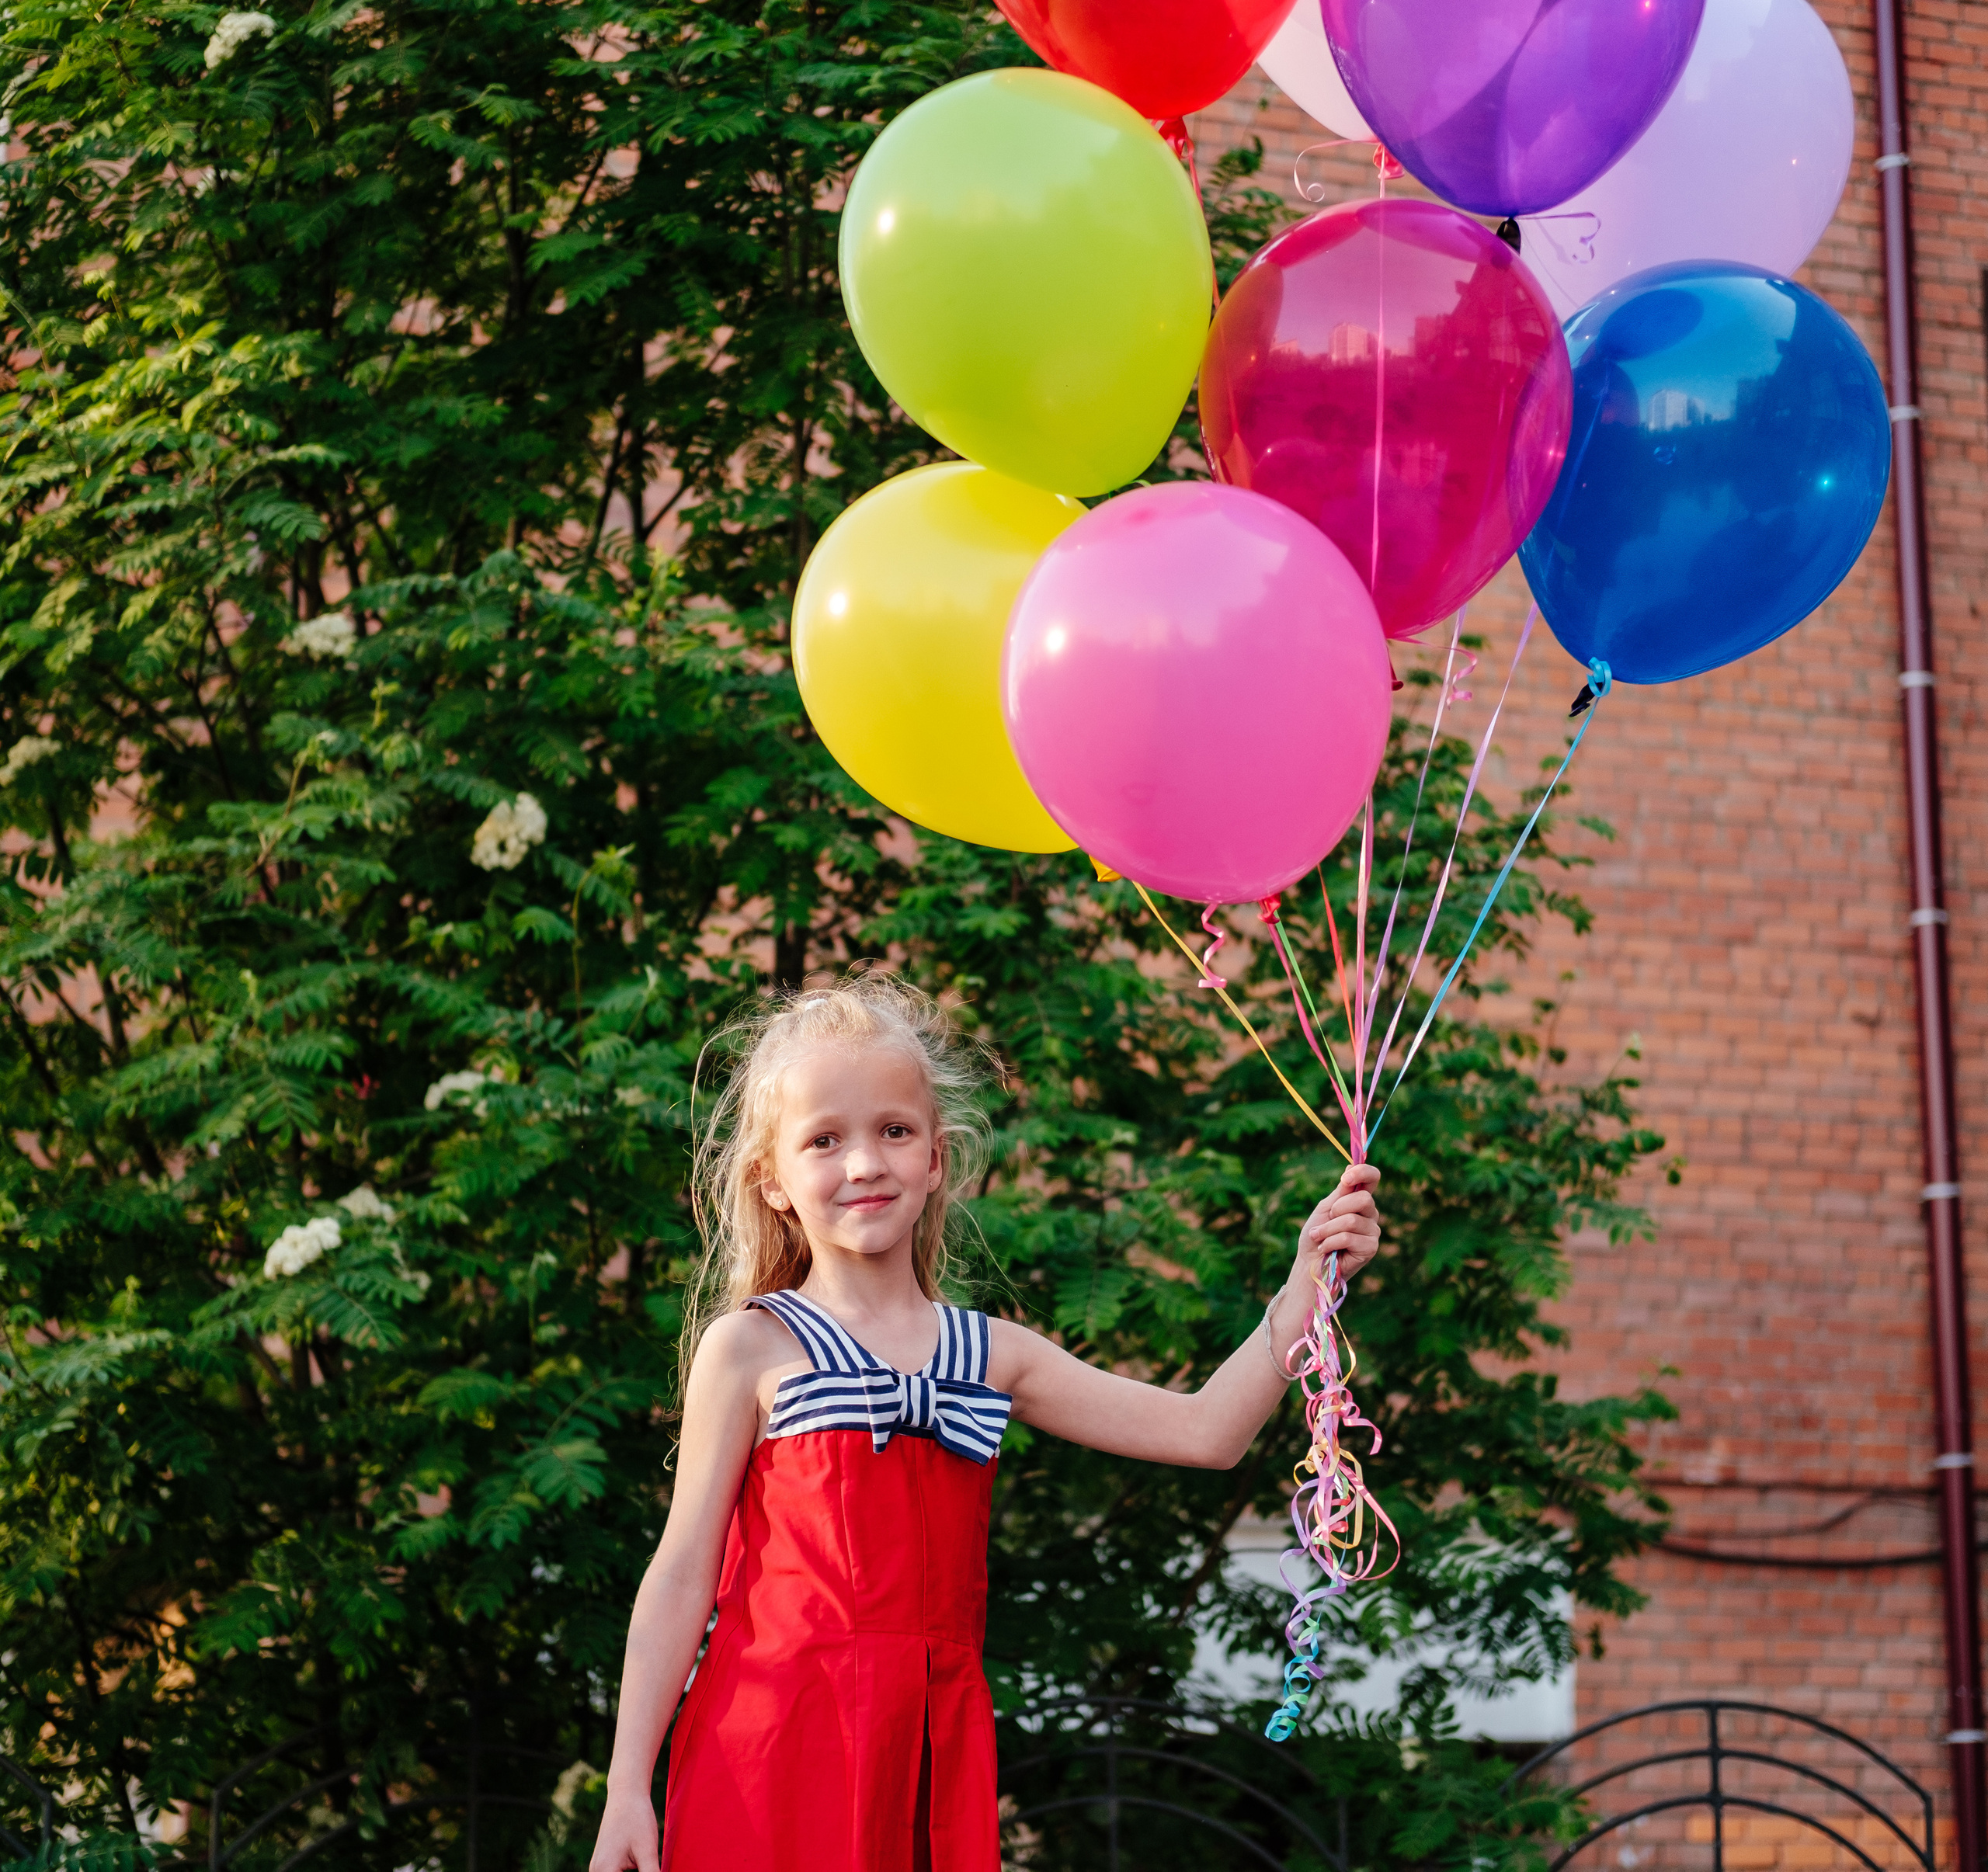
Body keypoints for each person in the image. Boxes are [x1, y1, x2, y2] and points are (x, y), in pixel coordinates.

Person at [589, 974, 1382, 1872]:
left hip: (929, 1745)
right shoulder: (749, 1346)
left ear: (936, 1157)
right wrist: (626, 1786)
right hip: (771, 1739)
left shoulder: (991, 1353)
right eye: (824, 1139)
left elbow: (1208, 1431)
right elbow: (682, 1572)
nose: (864, 1163)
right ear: (772, 1179)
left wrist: (1306, 1282)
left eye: (894, 1130)